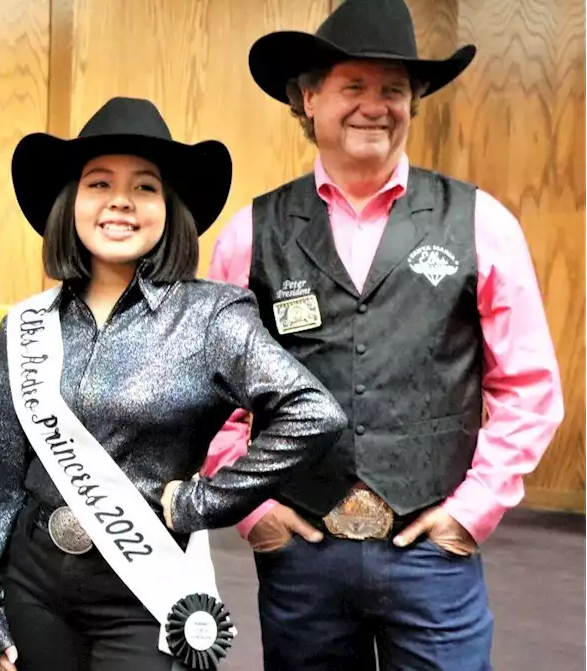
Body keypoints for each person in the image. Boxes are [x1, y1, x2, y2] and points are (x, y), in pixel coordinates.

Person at [205, 1, 566, 668]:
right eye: (354, 86)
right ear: (309, 98)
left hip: (432, 552)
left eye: (393, 89)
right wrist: (253, 510)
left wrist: (473, 510)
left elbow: (529, 387)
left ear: (414, 101)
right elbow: (211, 395)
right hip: (302, 555)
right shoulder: (249, 234)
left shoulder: (482, 223)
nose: (375, 105)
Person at [0, 96, 348, 671]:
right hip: (36, 584)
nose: (120, 201)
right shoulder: (25, 325)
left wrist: (206, 502)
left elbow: (313, 413)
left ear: (169, 209)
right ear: (71, 203)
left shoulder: (212, 317)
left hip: (143, 589)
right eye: (99, 184)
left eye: (144, 187)